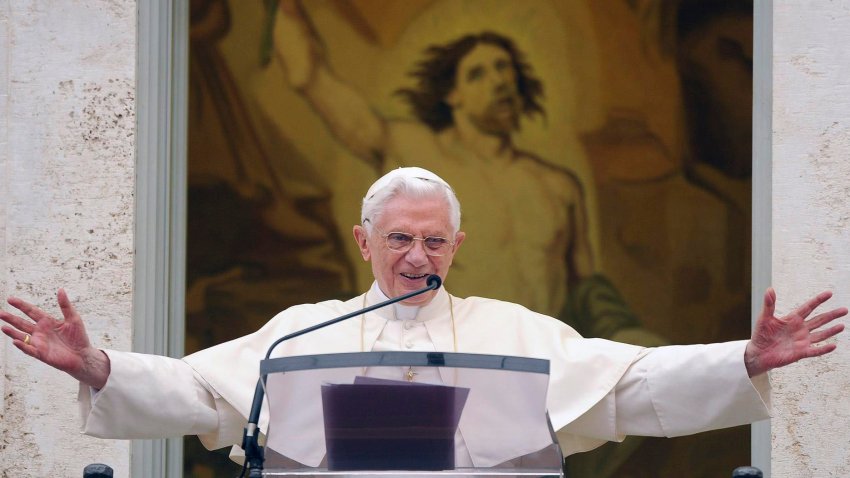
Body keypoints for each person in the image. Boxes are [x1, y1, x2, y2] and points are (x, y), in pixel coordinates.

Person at [1, 167, 846, 467]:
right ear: (364, 240)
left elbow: (628, 384)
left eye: (434, 240)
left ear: (457, 245)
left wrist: (743, 359)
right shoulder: (306, 329)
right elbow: (202, 393)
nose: (417, 256)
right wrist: (99, 367)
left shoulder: (511, 329)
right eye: (400, 238)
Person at [274, 0, 658, 344]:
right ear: (452, 95)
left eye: (504, 68)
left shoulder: (558, 187)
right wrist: (283, 15)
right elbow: (314, 79)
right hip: (442, 355)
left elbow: (586, 288)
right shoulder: (413, 152)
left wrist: (625, 332)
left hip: (530, 363)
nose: (499, 81)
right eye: (478, 73)